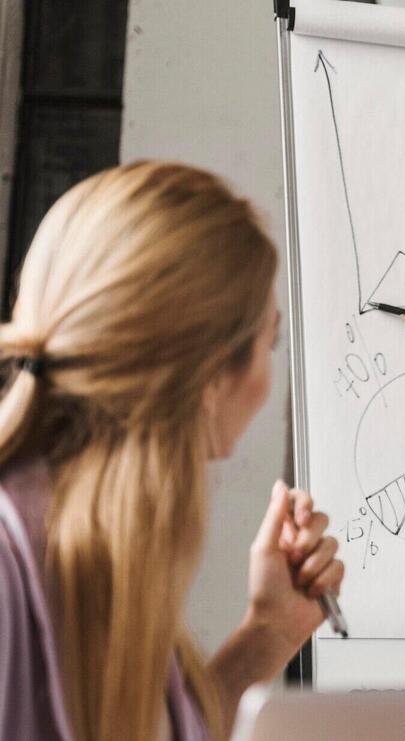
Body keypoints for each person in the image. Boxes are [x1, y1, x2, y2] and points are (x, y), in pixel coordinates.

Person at [0, 162, 345, 741]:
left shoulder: (104, 554)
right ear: (212, 378)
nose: (270, 370)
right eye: (271, 340)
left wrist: (268, 633)